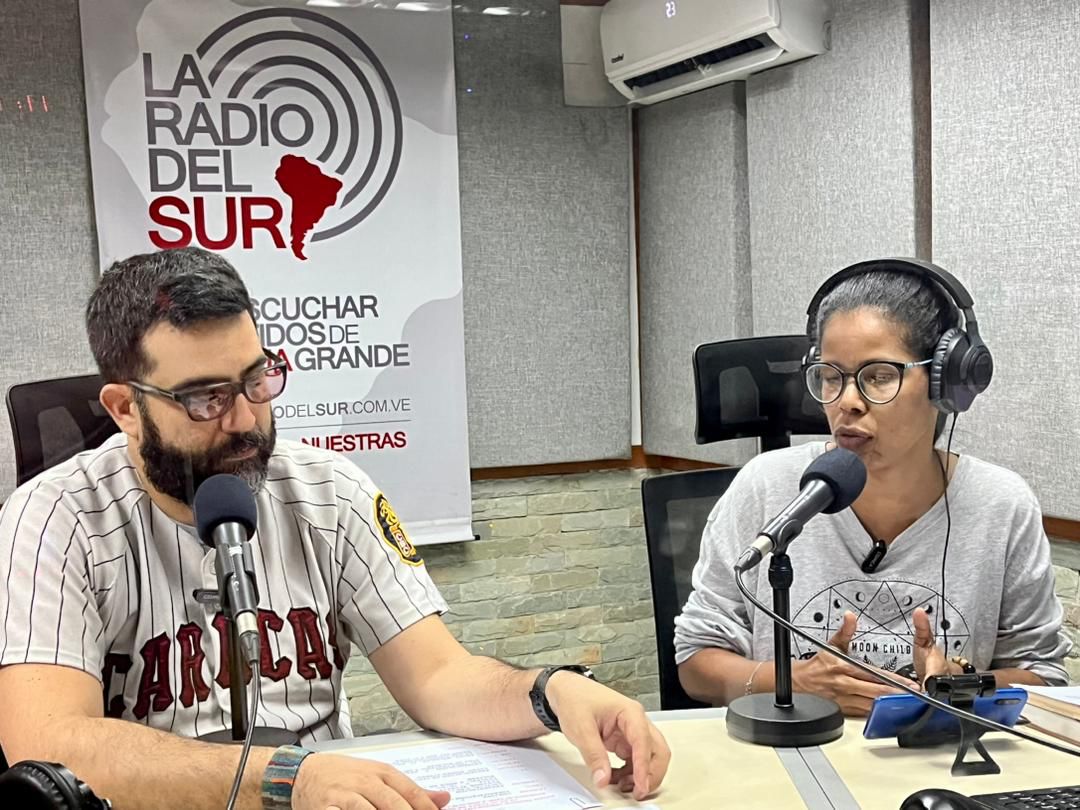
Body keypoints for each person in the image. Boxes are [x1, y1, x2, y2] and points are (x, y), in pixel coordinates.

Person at [0, 247, 670, 810]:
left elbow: (438, 677)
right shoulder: (54, 518)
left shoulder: (328, 490)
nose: (245, 420)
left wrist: (550, 691)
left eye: (256, 379)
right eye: (205, 398)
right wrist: (285, 778)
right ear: (124, 407)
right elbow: (47, 743)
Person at [675, 259, 1071, 717]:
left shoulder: (1001, 505)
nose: (847, 402)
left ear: (945, 383)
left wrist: (957, 685)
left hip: (936, 756)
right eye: (830, 376)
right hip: (793, 750)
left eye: (879, 376)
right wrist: (793, 683)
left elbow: (1044, 675)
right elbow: (695, 662)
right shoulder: (767, 487)